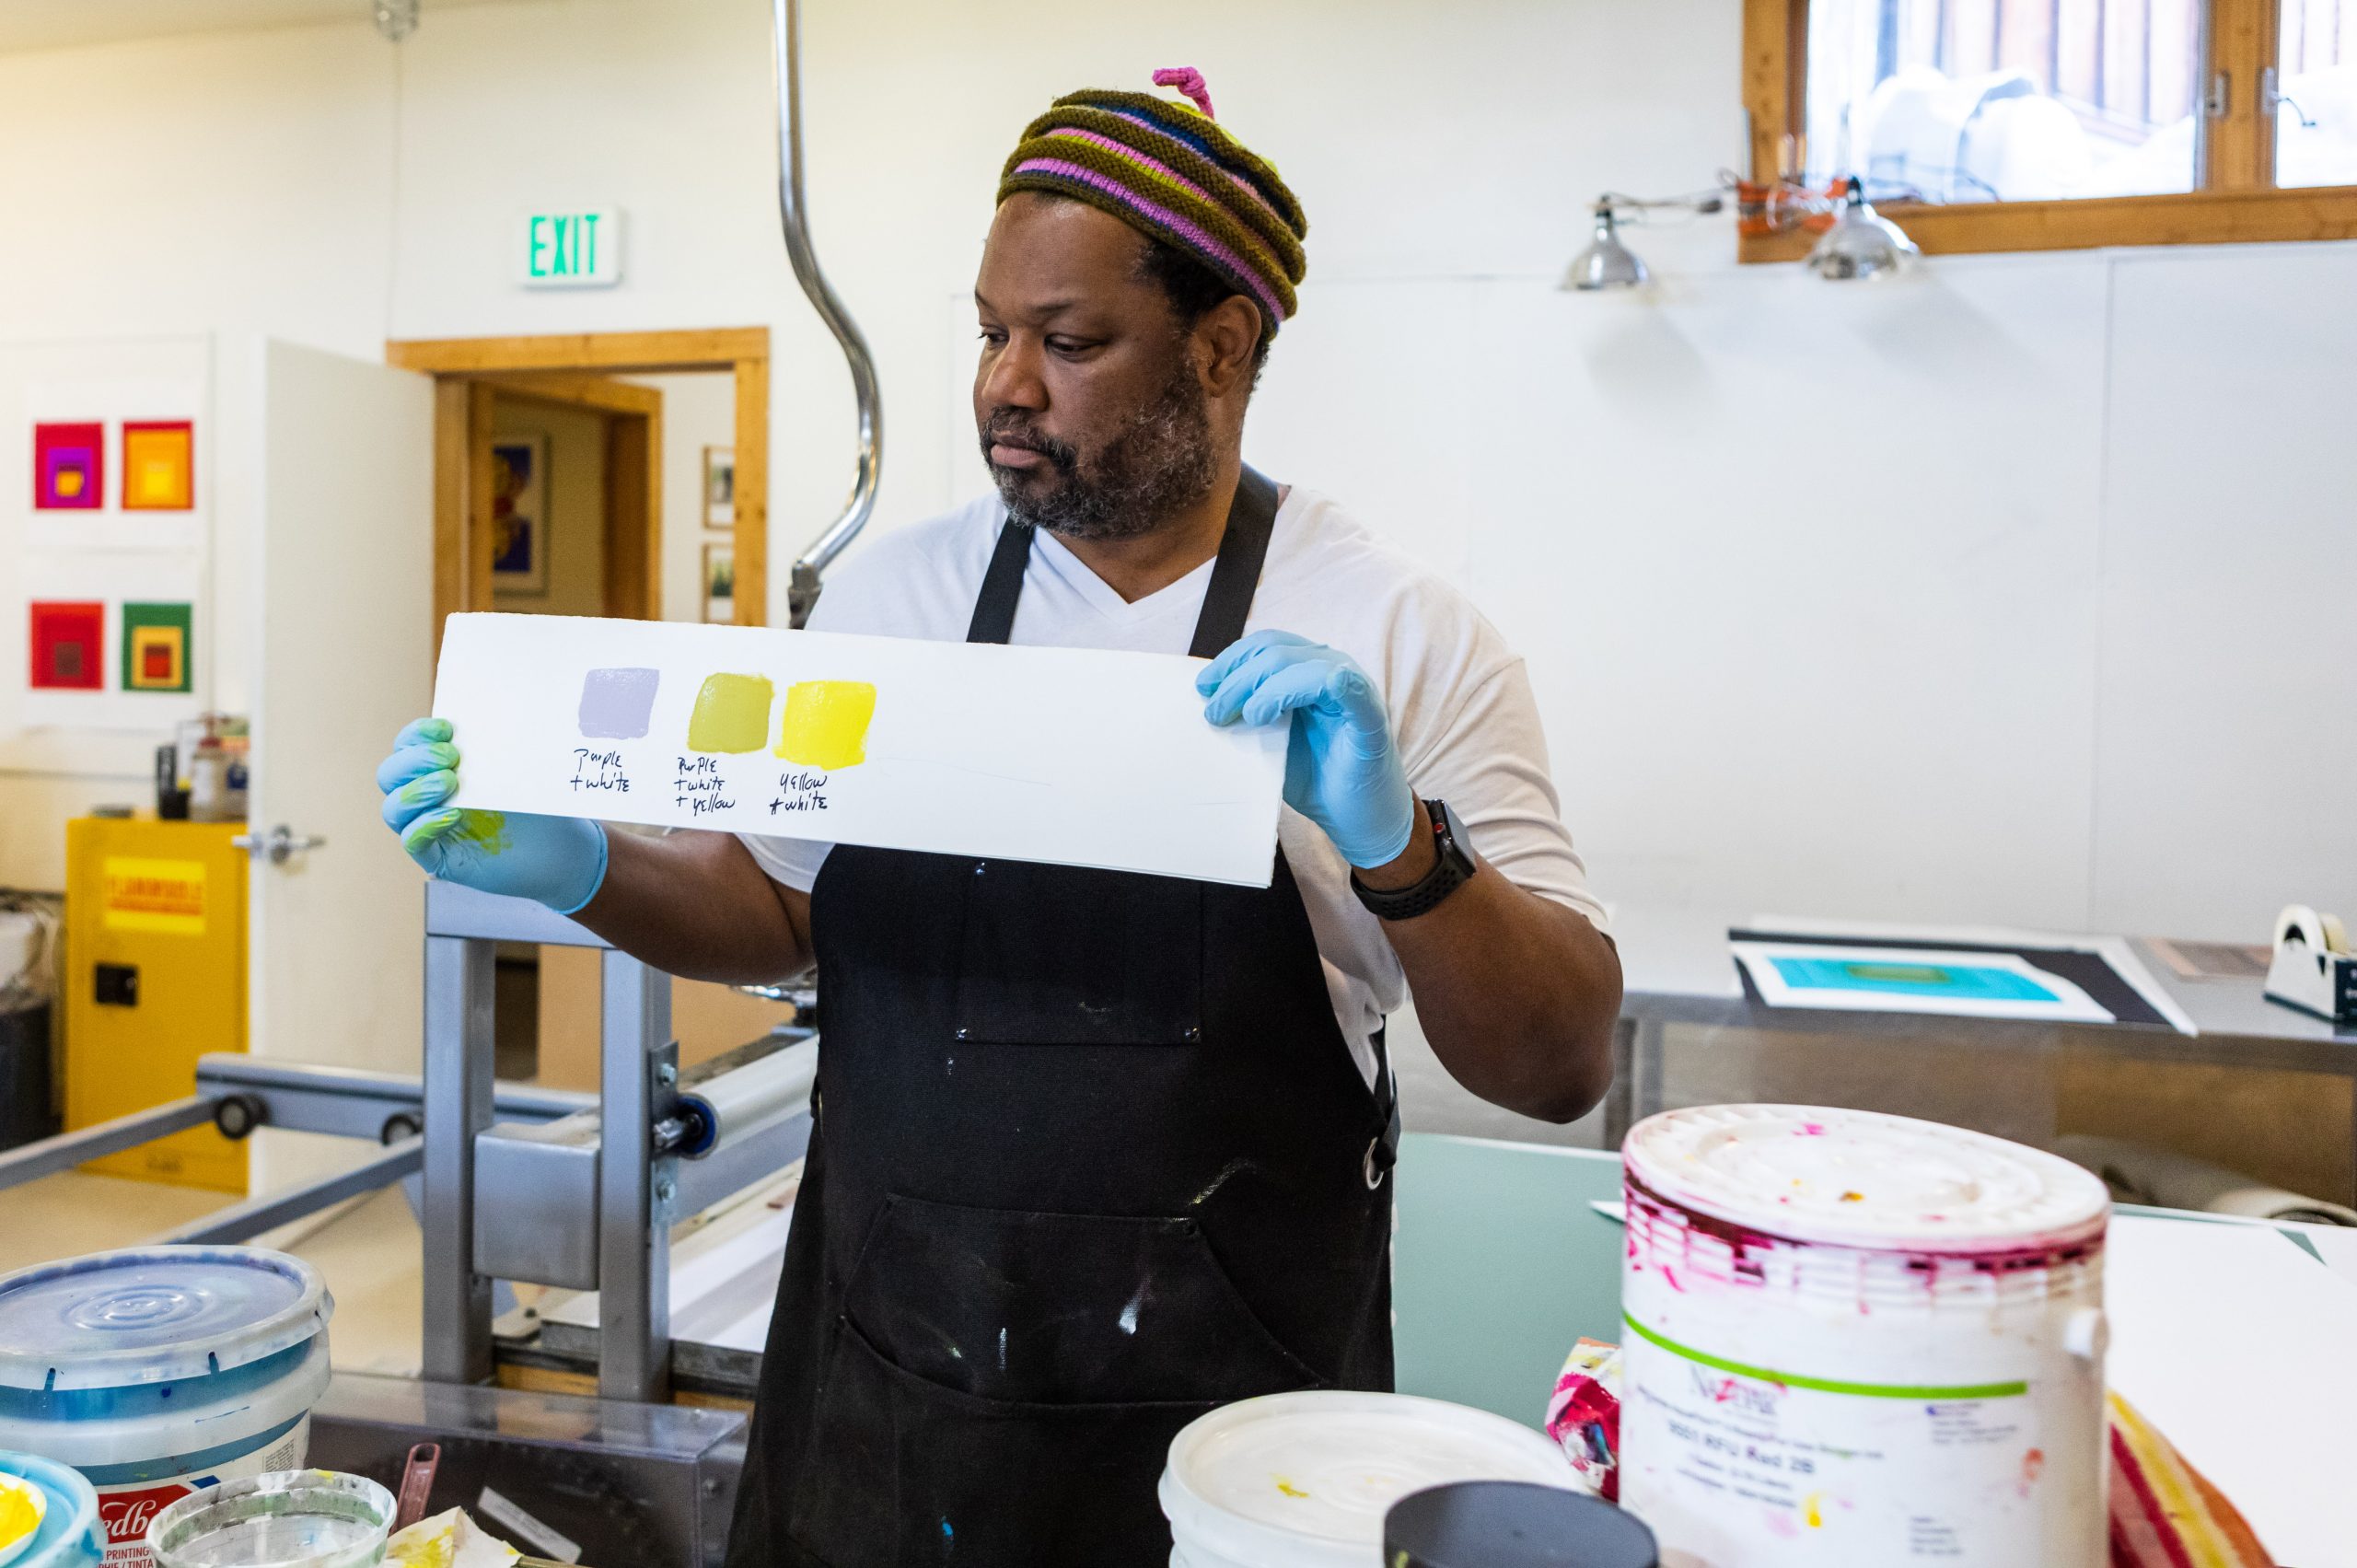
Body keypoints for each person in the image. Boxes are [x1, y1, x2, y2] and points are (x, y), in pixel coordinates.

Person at [377, 67, 1622, 1568]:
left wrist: (1404, 849)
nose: (1002, 385)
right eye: (989, 331)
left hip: (1239, 1453)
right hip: (893, 1413)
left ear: (1222, 351)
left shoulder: (1398, 633)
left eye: (1069, 341)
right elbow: (777, 911)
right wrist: (585, 868)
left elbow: (1558, 1066)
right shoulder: (895, 601)